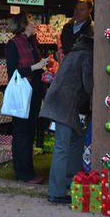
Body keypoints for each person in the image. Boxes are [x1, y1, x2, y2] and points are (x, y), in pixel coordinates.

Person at [41, 34, 94, 204]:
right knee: (63, 147)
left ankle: (69, 184)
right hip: (66, 105)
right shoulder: (87, 55)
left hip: (59, 103)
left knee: (74, 143)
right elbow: (88, 84)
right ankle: (56, 192)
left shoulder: (73, 53)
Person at [5, 12, 48, 184]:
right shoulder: (13, 44)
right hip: (23, 94)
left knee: (30, 132)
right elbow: (13, 72)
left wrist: (45, 68)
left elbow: (36, 68)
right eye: (31, 21)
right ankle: (22, 173)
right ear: (23, 25)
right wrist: (35, 67)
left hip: (35, 92)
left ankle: (29, 171)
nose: (34, 23)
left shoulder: (32, 42)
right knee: (22, 132)